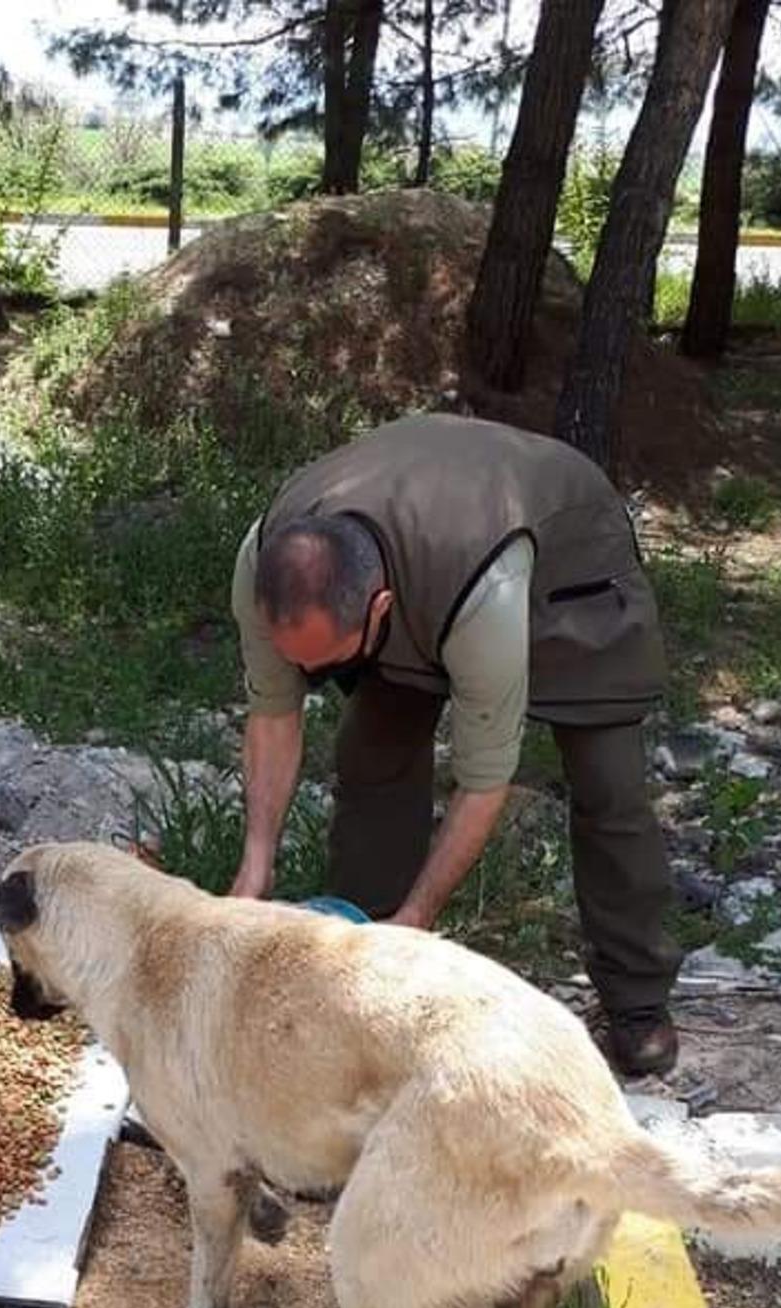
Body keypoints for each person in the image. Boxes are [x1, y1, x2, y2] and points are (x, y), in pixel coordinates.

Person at [229, 412, 681, 1078]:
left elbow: (483, 780)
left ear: (381, 612)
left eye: (326, 666)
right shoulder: (264, 561)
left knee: (607, 785)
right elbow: (273, 716)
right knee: (371, 754)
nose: (313, 679)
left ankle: (638, 999)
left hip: (570, 576)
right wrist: (255, 867)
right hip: (431, 571)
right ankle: (361, 960)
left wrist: (421, 915)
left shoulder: (484, 597)